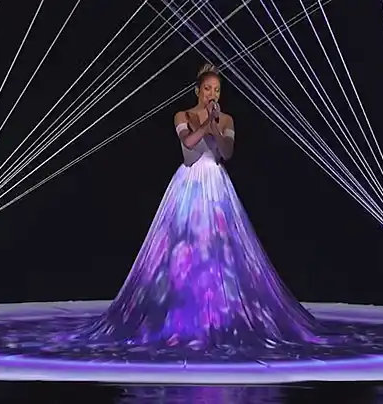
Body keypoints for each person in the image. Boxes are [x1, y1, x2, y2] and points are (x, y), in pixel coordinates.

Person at [68, 64, 335, 357]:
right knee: (183, 250)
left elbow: (226, 152)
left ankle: (219, 316)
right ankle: (180, 318)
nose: (212, 94)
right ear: (197, 90)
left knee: (219, 251)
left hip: (217, 184)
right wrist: (206, 124)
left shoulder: (227, 119)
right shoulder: (182, 115)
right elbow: (188, 146)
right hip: (189, 183)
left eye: (217, 90)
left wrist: (216, 126)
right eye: (208, 88)